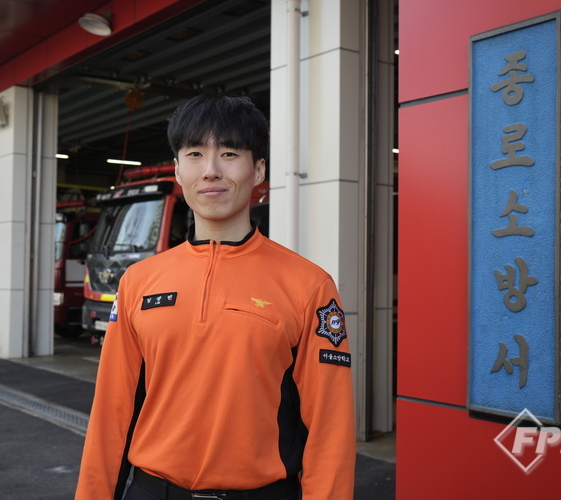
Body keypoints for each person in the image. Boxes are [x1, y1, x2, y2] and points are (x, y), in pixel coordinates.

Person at [75, 94, 355, 500]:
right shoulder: (139, 282)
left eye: (228, 154)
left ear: (258, 170)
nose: (210, 171)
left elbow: (330, 428)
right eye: (194, 154)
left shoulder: (309, 285)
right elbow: (111, 411)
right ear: (177, 169)